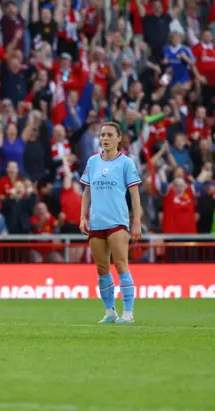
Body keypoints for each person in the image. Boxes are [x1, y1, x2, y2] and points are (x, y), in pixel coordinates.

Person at [79, 122, 142, 324]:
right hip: (97, 222)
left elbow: (134, 195)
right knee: (101, 268)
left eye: (109, 135)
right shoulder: (92, 162)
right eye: (102, 135)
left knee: (121, 264)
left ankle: (129, 313)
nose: (104, 138)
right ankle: (109, 312)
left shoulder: (126, 163)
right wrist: (83, 217)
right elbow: (86, 193)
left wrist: (137, 222)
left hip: (117, 222)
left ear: (118, 138)